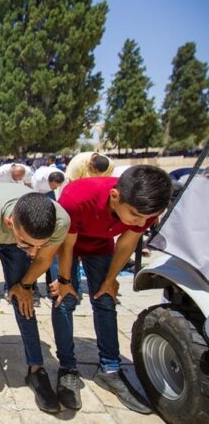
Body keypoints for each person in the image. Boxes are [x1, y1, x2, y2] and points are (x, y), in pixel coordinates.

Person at [50, 165, 172, 414]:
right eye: (135, 215)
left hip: (100, 245)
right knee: (64, 301)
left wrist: (110, 280)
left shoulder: (145, 207)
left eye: (146, 218)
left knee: (105, 300)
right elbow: (66, 245)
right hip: (67, 242)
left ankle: (110, 369)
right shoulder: (76, 198)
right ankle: (67, 368)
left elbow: (127, 242)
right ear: (115, 197)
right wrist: (64, 280)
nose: (141, 222)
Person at [0, 184, 71, 414]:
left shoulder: (60, 221)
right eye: (28, 245)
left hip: (12, 237)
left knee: (24, 299)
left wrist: (25, 285)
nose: (32, 252)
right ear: (10, 222)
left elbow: (43, 259)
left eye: (40, 245)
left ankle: (36, 369)